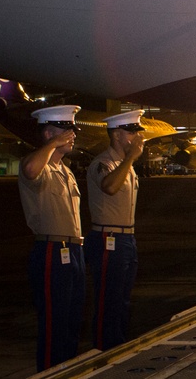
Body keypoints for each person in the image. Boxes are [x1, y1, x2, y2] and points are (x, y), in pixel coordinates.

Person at [18, 105, 85, 370]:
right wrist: (52, 145)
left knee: (71, 322)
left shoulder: (65, 170)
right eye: (65, 130)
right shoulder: (38, 165)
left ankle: (67, 371)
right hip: (51, 250)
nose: (72, 135)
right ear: (47, 134)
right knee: (53, 322)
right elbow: (31, 170)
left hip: (74, 250)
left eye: (72, 130)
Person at [85, 109, 145, 350]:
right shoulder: (104, 163)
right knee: (108, 300)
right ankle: (103, 350)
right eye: (132, 133)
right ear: (117, 135)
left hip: (126, 239)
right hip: (108, 238)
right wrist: (130, 159)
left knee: (122, 300)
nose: (137, 139)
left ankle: (117, 347)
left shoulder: (124, 166)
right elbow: (109, 187)